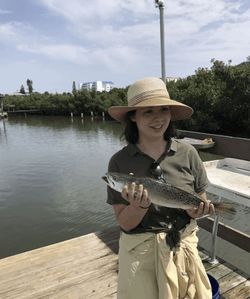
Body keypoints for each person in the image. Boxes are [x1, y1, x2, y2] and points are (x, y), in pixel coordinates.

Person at [105, 77, 214, 299]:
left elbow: (200, 201)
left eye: (163, 109)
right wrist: (138, 207)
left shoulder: (189, 153)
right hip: (140, 253)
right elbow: (125, 223)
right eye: (148, 111)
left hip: (183, 244)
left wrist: (198, 211)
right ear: (133, 117)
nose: (158, 118)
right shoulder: (118, 162)